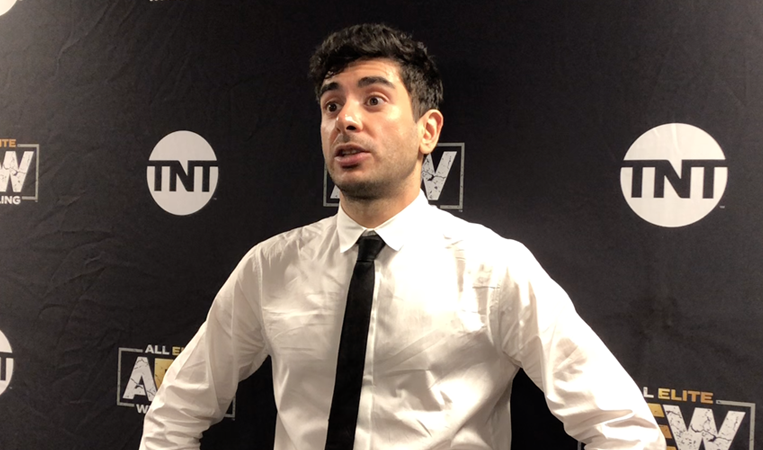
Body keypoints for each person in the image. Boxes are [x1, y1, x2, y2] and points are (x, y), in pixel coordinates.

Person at [140, 23, 665, 450]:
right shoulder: (270, 268)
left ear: (427, 131)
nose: (346, 119)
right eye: (331, 106)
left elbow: (624, 430)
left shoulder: (492, 270)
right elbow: (174, 413)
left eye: (373, 99)